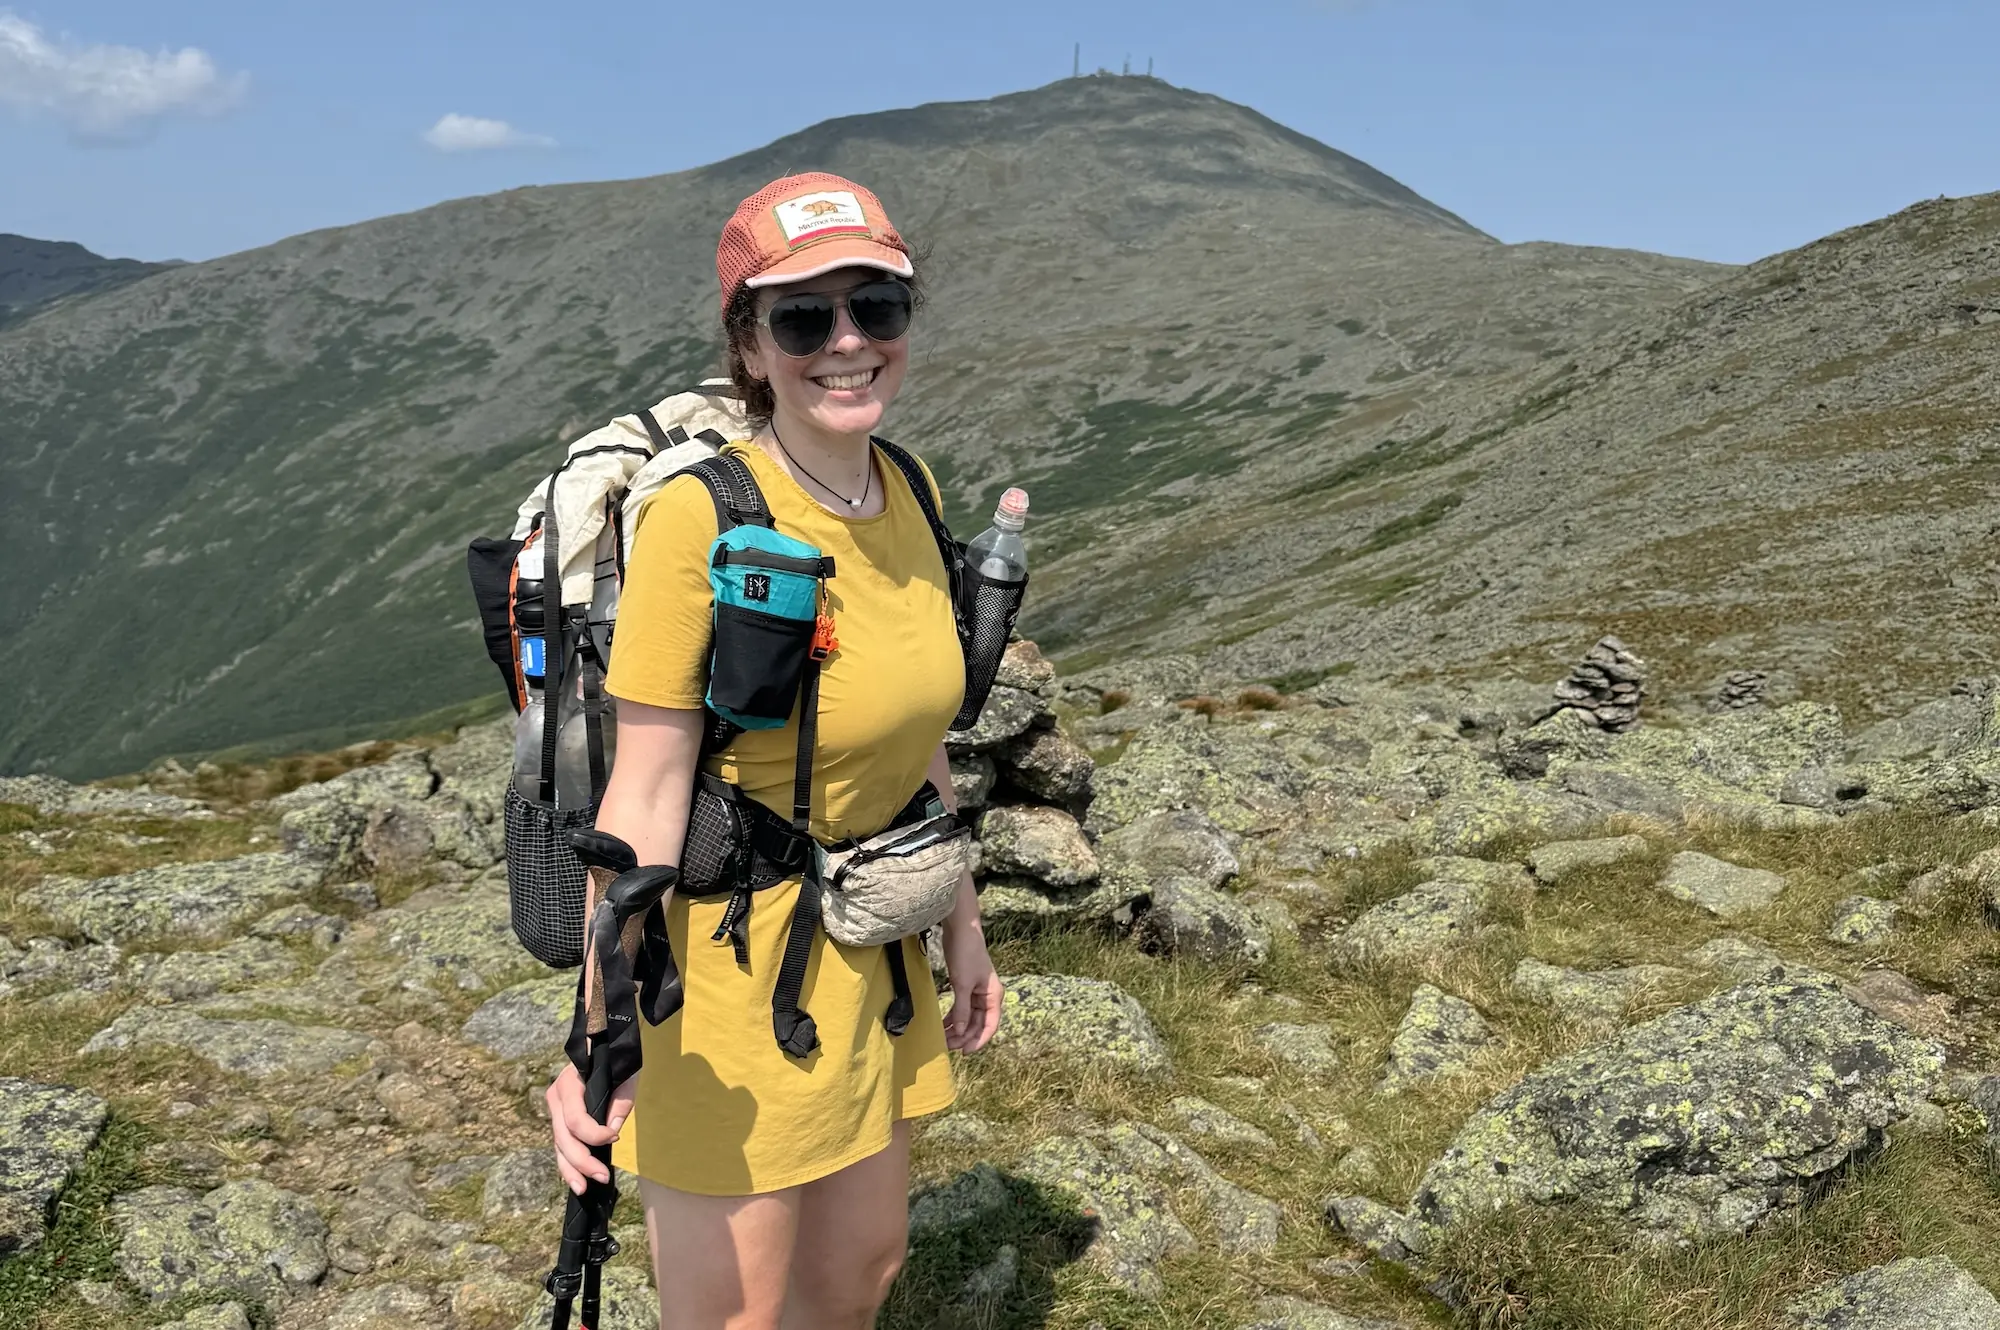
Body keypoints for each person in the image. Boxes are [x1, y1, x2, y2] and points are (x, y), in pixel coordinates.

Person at [544, 171, 1004, 1330]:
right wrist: (597, 1029)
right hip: (728, 975)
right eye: (802, 317)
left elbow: (915, 738)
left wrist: (960, 922)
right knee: (733, 1316)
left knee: (857, 1275)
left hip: (872, 945)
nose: (846, 342)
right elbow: (645, 788)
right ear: (749, 347)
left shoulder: (908, 485)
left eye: (875, 307)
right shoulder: (700, 518)